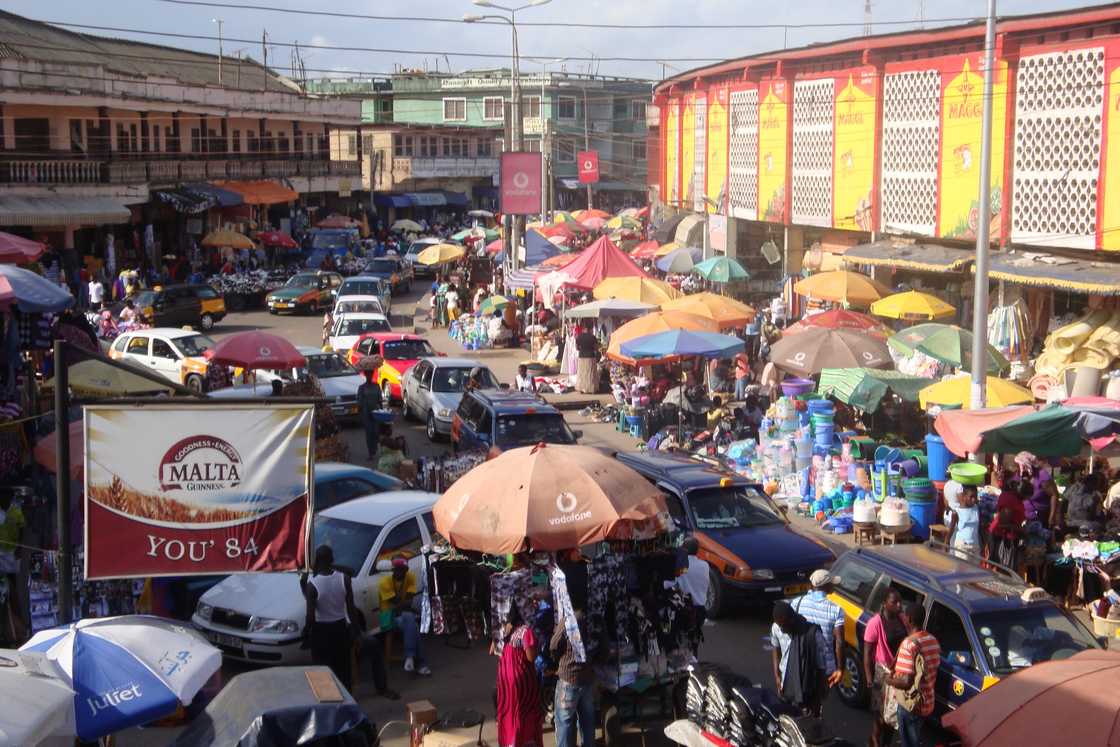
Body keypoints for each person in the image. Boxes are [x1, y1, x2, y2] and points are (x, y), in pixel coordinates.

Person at [301, 545, 361, 690]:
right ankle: (347, 701)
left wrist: (305, 632)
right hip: (341, 629)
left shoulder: (312, 586)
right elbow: (351, 609)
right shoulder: (344, 579)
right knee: (343, 669)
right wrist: (356, 631)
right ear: (332, 559)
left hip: (321, 632)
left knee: (324, 671)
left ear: (317, 561)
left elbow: (311, 617)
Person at [790, 570, 845, 715]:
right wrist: (840, 668)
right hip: (824, 668)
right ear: (826, 586)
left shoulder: (796, 603)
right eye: (831, 583)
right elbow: (839, 641)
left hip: (801, 661)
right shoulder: (836, 609)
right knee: (817, 701)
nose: (834, 585)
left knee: (801, 698)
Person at [887, 601, 941, 747]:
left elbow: (906, 682)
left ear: (909, 619)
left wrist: (889, 680)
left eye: (905, 616)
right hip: (928, 701)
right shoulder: (933, 640)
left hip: (911, 705)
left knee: (909, 742)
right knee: (915, 737)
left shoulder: (909, 644)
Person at [770, 600, 833, 716]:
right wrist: (777, 676)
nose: (782, 630)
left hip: (807, 691)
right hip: (785, 688)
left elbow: (820, 668)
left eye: (784, 626)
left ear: (792, 620)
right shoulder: (776, 628)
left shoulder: (812, 634)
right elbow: (775, 649)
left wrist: (817, 700)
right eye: (780, 626)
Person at [864, 588, 907, 747]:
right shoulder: (875, 623)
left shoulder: (903, 619)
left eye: (900, 602)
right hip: (882, 673)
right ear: (884, 603)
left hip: (897, 673)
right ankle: (875, 742)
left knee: (891, 715)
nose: (899, 605)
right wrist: (869, 678)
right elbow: (867, 653)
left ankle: (886, 744)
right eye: (894, 602)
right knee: (879, 716)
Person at [495, 603, 543, 747]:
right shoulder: (525, 631)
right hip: (522, 682)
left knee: (509, 713)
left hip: (504, 679)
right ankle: (524, 742)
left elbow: (492, 650)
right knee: (523, 714)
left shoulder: (502, 629)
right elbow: (531, 657)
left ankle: (510, 742)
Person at [377, 555, 430, 675]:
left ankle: (411, 658)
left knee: (410, 621)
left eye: (403, 569)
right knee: (411, 620)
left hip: (404, 615)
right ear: (392, 570)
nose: (400, 572)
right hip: (388, 616)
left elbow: (408, 602)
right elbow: (398, 606)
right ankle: (420, 663)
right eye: (397, 569)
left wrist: (406, 607)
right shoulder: (384, 583)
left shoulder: (410, 577)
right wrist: (409, 608)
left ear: (406, 569)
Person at [551, 608, 596, 747]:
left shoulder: (567, 620)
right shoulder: (594, 618)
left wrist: (558, 660)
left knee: (564, 723)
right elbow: (603, 648)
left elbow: (553, 646)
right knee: (587, 721)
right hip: (587, 679)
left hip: (568, 679)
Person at [675, 536, 710, 653]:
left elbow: (673, 584)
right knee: (695, 640)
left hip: (684, 608)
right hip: (700, 609)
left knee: (682, 641)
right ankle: (694, 660)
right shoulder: (705, 566)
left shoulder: (680, 565)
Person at [989, 483, 1026, 569]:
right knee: (1003, 567)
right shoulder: (1011, 500)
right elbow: (1003, 522)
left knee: (997, 566)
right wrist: (1018, 529)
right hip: (1003, 537)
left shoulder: (1007, 496)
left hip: (999, 534)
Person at [946, 482, 981, 558]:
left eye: (975, 496)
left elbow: (978, 527)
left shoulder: (976, 508)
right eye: (971, 497)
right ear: (964, 496)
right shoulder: (956, 512)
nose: (974, 499)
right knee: (963, 568)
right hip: (962, 546)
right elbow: (951, 529)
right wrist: (947, 541)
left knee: (975, 569)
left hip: (975, 545)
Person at [357, 369, 383, 462]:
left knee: (376, 432)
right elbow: (359, 401)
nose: (369, 376)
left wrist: (381, 409)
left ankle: (374, 448)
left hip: (376, 412)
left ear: (372, 375)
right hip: (366, 412)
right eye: (367, 374)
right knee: (369, 433)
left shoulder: (376, 386)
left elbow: (380, 399)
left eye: (370, 374)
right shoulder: (362, 388)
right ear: (365, 375)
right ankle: (370, 452)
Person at [575, 323, 600, 394]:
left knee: (582, 373)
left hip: (582, 356)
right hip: (590, 356)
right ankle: (591, 389)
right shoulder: (592, 337)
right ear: (590, 329)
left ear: (583, 329)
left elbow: (577, 348)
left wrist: (582, 349)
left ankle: (581, 388)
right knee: (590, 373)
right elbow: (596, 348)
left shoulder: (579, 337)